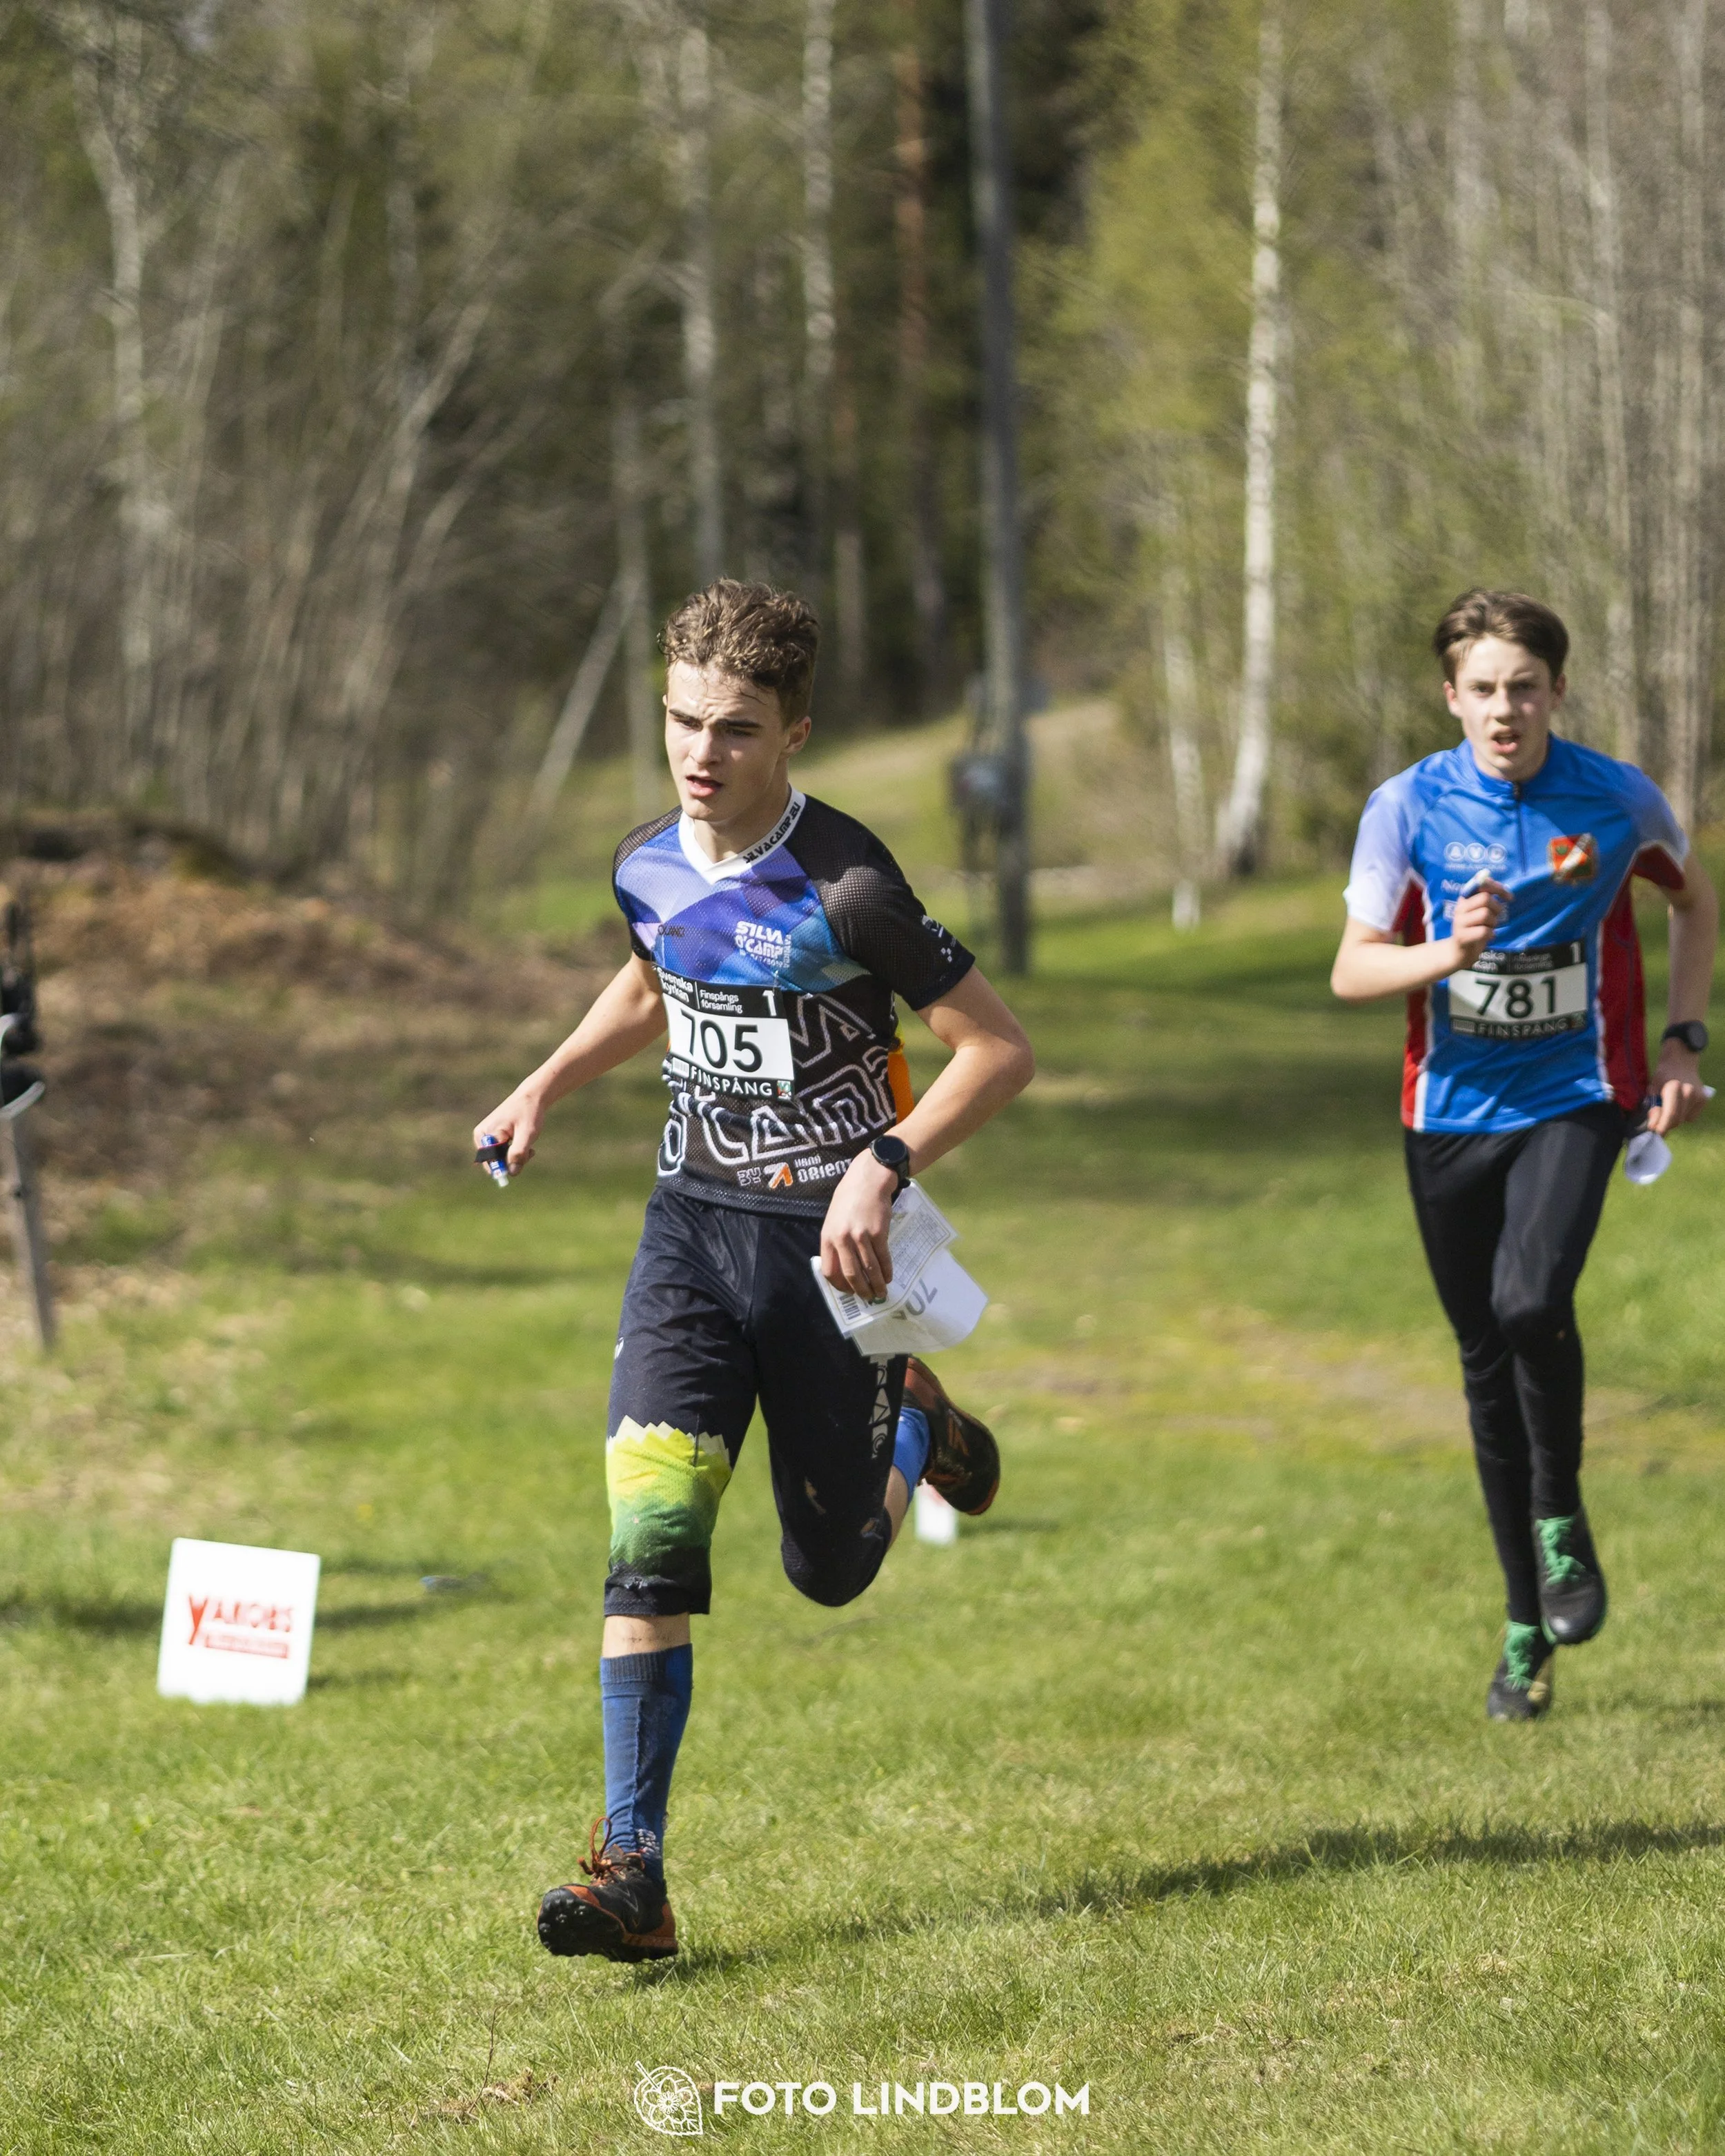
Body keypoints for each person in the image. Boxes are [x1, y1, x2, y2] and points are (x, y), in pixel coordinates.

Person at [475, 579, 1034, 1961]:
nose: (697, 755)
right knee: (646, 1538)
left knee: (829, 1567)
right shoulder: (645, 861)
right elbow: (656, 976)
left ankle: (920, 1420)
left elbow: (997, 1047)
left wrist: (883, 1159)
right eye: (679, 721)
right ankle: (632, 1874)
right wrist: (543, 1083)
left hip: (827, 1257)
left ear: (793, 732)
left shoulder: (849, 883)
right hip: (687, 1232)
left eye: (732, 729)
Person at [1331, 589, 1716, 1722]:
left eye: (1526, 687)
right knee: (1484, 1359)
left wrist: (1683, 1037)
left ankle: (1565, 1519)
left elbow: (1695, 907)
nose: (1506, 709)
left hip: (1578, 1093)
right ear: (1452, 697)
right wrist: (1445, 950)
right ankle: (1521, 1625)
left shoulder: (1614, 798)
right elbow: (1354, 970)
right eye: (1484, 689)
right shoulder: (1405, 807)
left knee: (1532, 1297)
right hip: (1449, 1112)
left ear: (1557, 690)